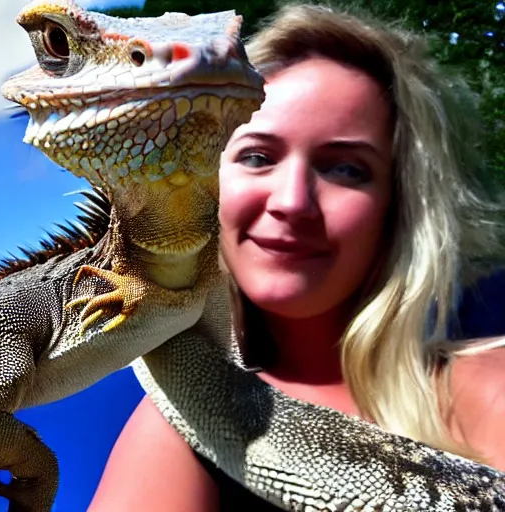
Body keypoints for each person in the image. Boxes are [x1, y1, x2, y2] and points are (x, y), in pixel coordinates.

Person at [88, 4, 505, 510]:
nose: (292, 201)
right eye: (258, 157)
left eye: (346, 169)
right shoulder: (181, 422)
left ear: (399, 209)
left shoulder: (491, 387)